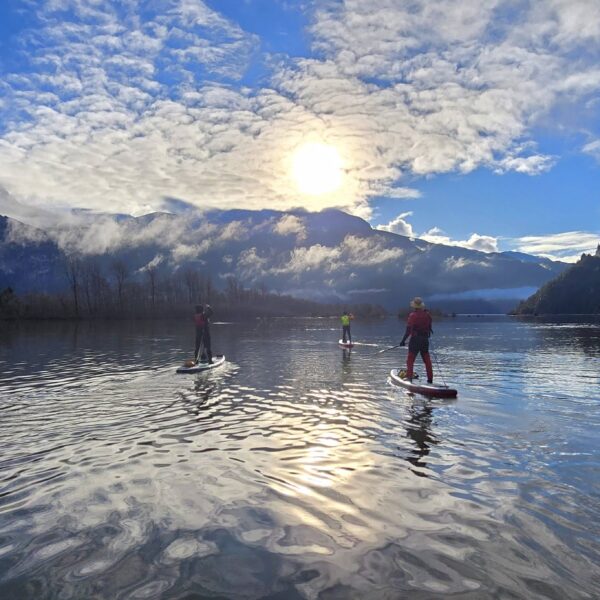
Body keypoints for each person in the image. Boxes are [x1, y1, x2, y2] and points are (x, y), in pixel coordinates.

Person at [400, 297, 433, 383]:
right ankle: (430, 380)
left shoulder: (412, 315)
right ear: (421, 306)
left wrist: (403, 341)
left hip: (415, 340)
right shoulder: (427, 315)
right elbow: (429, 328)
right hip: (425, 340)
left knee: (410, 360)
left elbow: (408, 330)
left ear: (414, 306)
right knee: (427, 360)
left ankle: (409, 378)